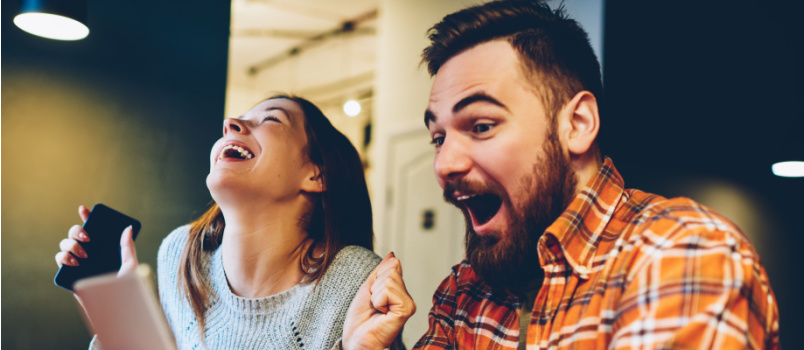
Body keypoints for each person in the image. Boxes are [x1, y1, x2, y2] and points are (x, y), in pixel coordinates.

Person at [343, 0, 780, 349]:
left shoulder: (679, 253)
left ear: (578, 125)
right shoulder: (464, 293)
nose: (444, 165)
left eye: (481, 126)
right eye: (438, 138)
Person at [55, 95, 408, 349]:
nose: (231, 124)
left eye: (270, 119)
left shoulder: (355, 280)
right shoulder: (180, 254)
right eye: (236, 120)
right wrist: (116, 319)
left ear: (316, 175)